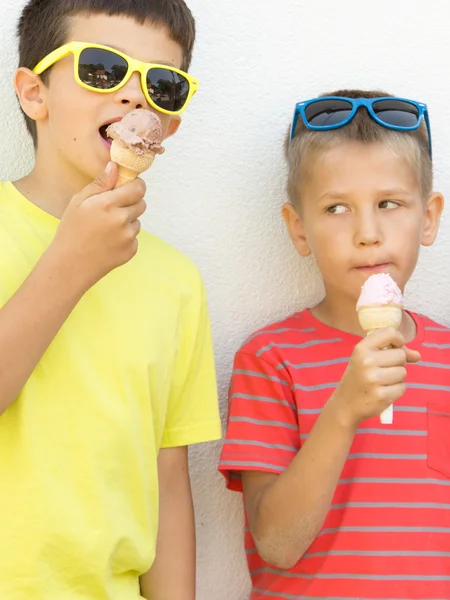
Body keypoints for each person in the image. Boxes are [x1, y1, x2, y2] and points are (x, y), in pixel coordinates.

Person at [0, 1, 221, 598]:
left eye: (163, 84)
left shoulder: (176, 281)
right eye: (102, 68)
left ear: (169, 124)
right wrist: (68, 267)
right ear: (33, 94)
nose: (133, 96)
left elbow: (167, 478)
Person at [219, 89, 450, 599]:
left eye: (389, 203)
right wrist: (343, 410)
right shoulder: (271, 360)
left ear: (428, 217)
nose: (367, 233)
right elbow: (277, 544)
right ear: (299, 229)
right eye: (337, 208)